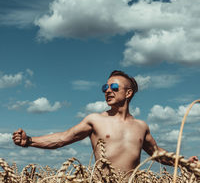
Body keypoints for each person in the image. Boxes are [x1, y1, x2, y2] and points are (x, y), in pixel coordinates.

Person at [12, 70, 198, 172]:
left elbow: (158, 154)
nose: (108, 90)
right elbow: (63, 138)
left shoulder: (141, 126)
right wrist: (29, 141)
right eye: (105, 87)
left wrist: (184, 163)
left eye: (114, 87)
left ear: (128, 93)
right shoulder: (95, 120)